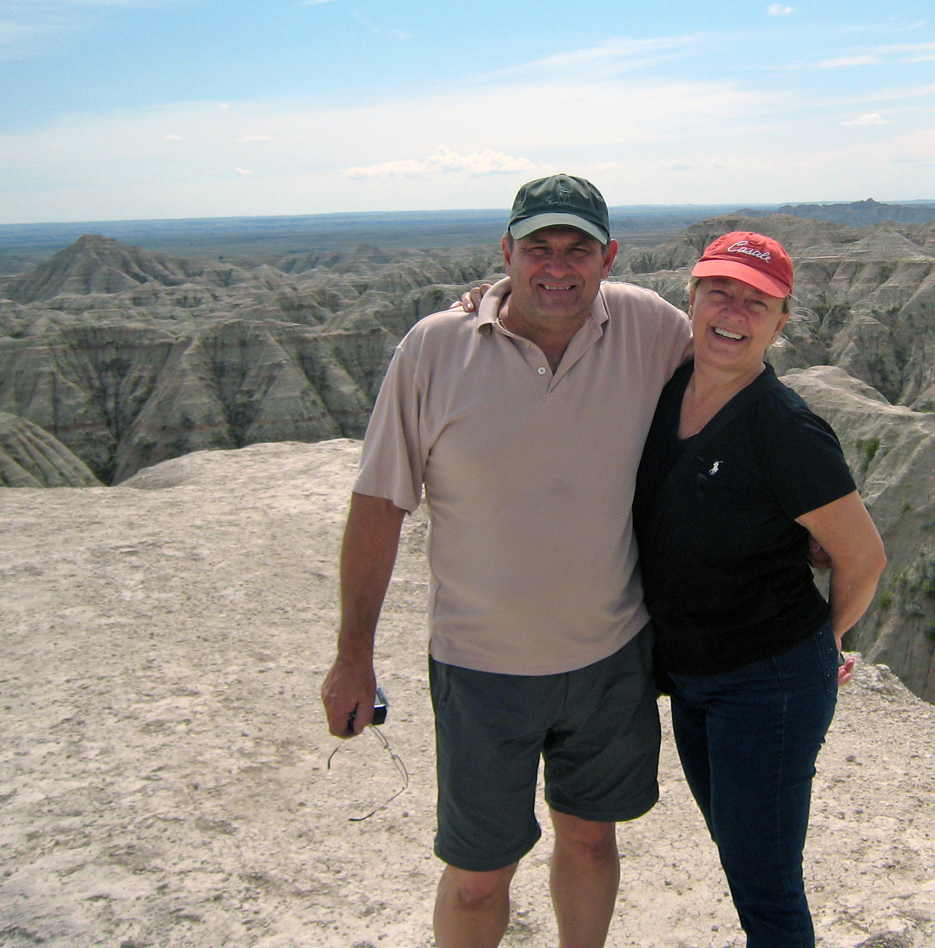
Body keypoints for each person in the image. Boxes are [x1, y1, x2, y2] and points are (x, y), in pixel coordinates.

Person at [320, 174, 693, 948]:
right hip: (481, 668)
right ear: (506, 253)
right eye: (538, 248)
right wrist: (352, 656)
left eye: (578, 250)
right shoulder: (434, 348)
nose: (557, 268)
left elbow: (737, 377)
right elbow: (379, 505)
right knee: (479, 872)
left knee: (591, 840)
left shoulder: (650, 329)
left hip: (612, 658)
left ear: (609, 258)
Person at [631, 232, 887, 948]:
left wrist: (825, 641)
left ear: (781, 321)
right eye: (719, 291)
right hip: (693, 678)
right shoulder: (666, 388)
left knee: (767, 888)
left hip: (768, 682)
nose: (733, 312)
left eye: (757, 301)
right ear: (692, 298)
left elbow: (862, 559)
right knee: (744, 863)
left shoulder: (786, 430)